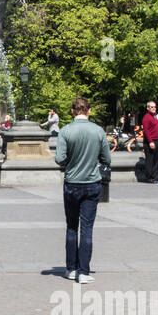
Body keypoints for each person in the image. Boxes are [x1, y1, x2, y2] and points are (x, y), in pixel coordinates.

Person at [54, 96, 111, 283]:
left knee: (71, 227)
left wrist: (72, 162)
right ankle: (84, 272)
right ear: (89, 110)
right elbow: (107, 160)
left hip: (72, 183)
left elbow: (59, 158)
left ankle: (71, 269)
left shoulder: (65, 131)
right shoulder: (98, 131)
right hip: (92, 183)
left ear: (72, 111)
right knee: (87, 228)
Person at [139, 101, 158, 184]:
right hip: (150, 142)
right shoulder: (146, 117)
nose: (153, 108)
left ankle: (155, 177)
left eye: (154, 107)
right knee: (150, 160)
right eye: (151, 107)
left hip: (156, 140)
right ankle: (149, 177)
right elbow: (146, 131)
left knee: (155, 160)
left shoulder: (155, 116)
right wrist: (151, 142)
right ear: (147, 108)